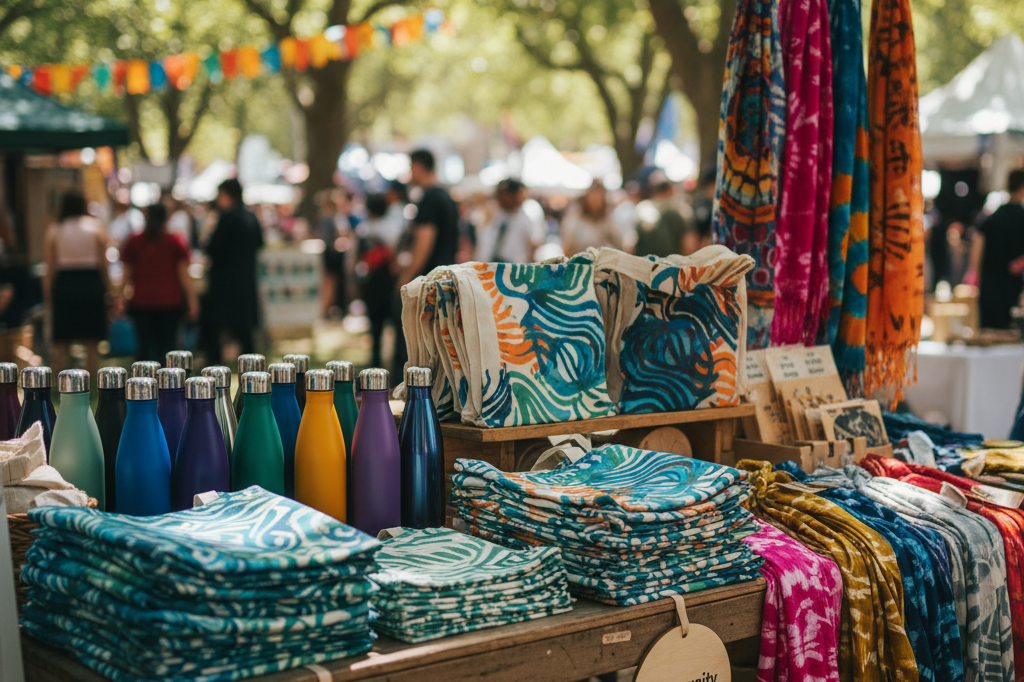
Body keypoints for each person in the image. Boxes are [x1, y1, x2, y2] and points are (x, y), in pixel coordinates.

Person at [121, 203, 198, 363]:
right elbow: (184, 275)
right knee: (168, 348)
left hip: (142, 302)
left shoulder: (135, 241)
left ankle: (143, 384)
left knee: (144, 348)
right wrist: (192, 301)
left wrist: (120, 298)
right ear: (166, 217)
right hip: (171, 302)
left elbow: (126, 274)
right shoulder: (175, 241)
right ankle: (168, 386)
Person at [43, 192, 109, 377]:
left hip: (65, 283)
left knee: (62, 337)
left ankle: (59, 377)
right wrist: (109, 287)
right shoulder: (95, 227)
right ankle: (92, 377)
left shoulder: (56, 229)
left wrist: (48, 291)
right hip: (91, 281)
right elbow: (104, 263)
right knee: (92, 337)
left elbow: (49, 265)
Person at [200, 178, 264, 365]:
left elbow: (212, 248)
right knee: (245, 330)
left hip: (224, 284)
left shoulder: (227, 218)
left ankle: (213, 363)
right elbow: (260, 244)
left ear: (227, 195)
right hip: (246, 281)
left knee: (213, 326)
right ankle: (251, 364)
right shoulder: (251, 218)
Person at [966, 170, 1024, 329]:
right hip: (1012, 285)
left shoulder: (992, 217)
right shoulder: (1021, 216)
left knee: (989, 332)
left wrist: (974, 274)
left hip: (989, 285)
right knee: (1012, 333)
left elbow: (977, 247)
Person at [397, 149, 459, 287]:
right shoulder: (445, 195)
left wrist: (408, 276)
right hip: (445, 275)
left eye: (411, 167)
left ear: (418, 167)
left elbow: (424, 241)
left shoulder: (430, 198)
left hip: (431, 278)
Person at [358, 193, 402, 368]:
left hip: (372, 283)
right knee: (396, 326)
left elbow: (356, 258)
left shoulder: (364, 230)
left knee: (375, 327)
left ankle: (375, 363)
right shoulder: (393, 229)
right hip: (389, 282)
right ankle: (397, 365)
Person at [475, 179, 544, 263]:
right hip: (492, 264)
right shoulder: (496, 215)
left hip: (515, 266)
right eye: (500, 194)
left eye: (506, 194)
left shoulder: (529, 214)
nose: (501, 198)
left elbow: (535, 243)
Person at [633, 173, 698, 258]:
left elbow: (631, 242)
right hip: (670, 264)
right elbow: (688, 244)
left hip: (645, 263)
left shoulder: (641, 208)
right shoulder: (678, 211)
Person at [560, 181, 623, 254]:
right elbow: (567, 246)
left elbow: (619, 243)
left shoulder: (610, 219)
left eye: (599, 197)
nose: (596, 200)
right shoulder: (575, 218)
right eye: (593, 196)